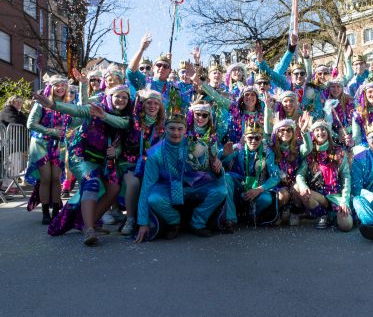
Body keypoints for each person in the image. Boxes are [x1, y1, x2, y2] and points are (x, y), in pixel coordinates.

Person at [35, 84, 131, 245]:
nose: (121, 100)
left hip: (104, 160)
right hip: (82, 155)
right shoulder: (96, 108)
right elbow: (76, 110)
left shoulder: (127, 116)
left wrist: (117, 151)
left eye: (125, 97)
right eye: (117, 96)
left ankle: (90, 222)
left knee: (114, 187)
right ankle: (89, 230)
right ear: (109, 96)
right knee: (91, 183)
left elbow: (122, 129)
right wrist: (53, 105)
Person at [135, 112, 228, 242]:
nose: (176, 133)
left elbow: (213, 171)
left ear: (185, 130)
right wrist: (143, 222)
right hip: (168, 186)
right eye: (172, 128)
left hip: (194, 185)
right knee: (154, 199)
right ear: (165, 128)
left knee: (221, 191)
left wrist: (217, 167)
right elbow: (147, 187)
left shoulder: (196, 145)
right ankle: (174, 221)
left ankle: (197, 221)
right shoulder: (155, 154)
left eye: (180, 129)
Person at [118, 89, 166, 235]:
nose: (152, 106)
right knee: (134, 183)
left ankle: (150, 217)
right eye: (149, 103)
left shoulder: (162, 127)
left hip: (150, 165)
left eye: (156, 104)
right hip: (129, 163)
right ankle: (130, 219)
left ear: (160, 107)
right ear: (143, 105)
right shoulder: (132, 121)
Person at [25, 75, 71, 224]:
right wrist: (51, 131)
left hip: (59, 145)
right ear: (51, 87)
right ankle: (45, 213)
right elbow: (30, 124)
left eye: (63, 85)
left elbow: (73, 124)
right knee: (46, 178)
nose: (60, 88)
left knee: (56, 178)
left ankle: (56, 212)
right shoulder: (41, 103)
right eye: (57, 85)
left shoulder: (68, 105)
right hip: (40, 144)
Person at [293, 120, 353, 231]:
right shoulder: (310, 153)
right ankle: (322, 215)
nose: (320, 132)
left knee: (346, 226)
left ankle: (333, 216)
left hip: (335, 196)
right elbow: (300, 174)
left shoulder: (338, 151)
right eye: (317, 130)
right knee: (297, 187)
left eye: (323, 129)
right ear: (313, 134)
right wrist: (303, 186)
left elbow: (346, 177)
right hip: (318, 196)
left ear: (328, 133)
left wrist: (344, 200)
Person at [221, 121, 281, 226]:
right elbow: (222, 163)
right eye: (250, 138)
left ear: (261, 138)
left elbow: (275, 177)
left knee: (266, 199)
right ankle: (230, 219)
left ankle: (251, 215)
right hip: (240, 188)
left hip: (258, 189)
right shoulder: (237, 148)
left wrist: (258, 189)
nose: (253, 141)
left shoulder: (267, 152)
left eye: (257, 138)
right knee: (226, 177)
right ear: (244, 138)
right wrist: (224, 155)